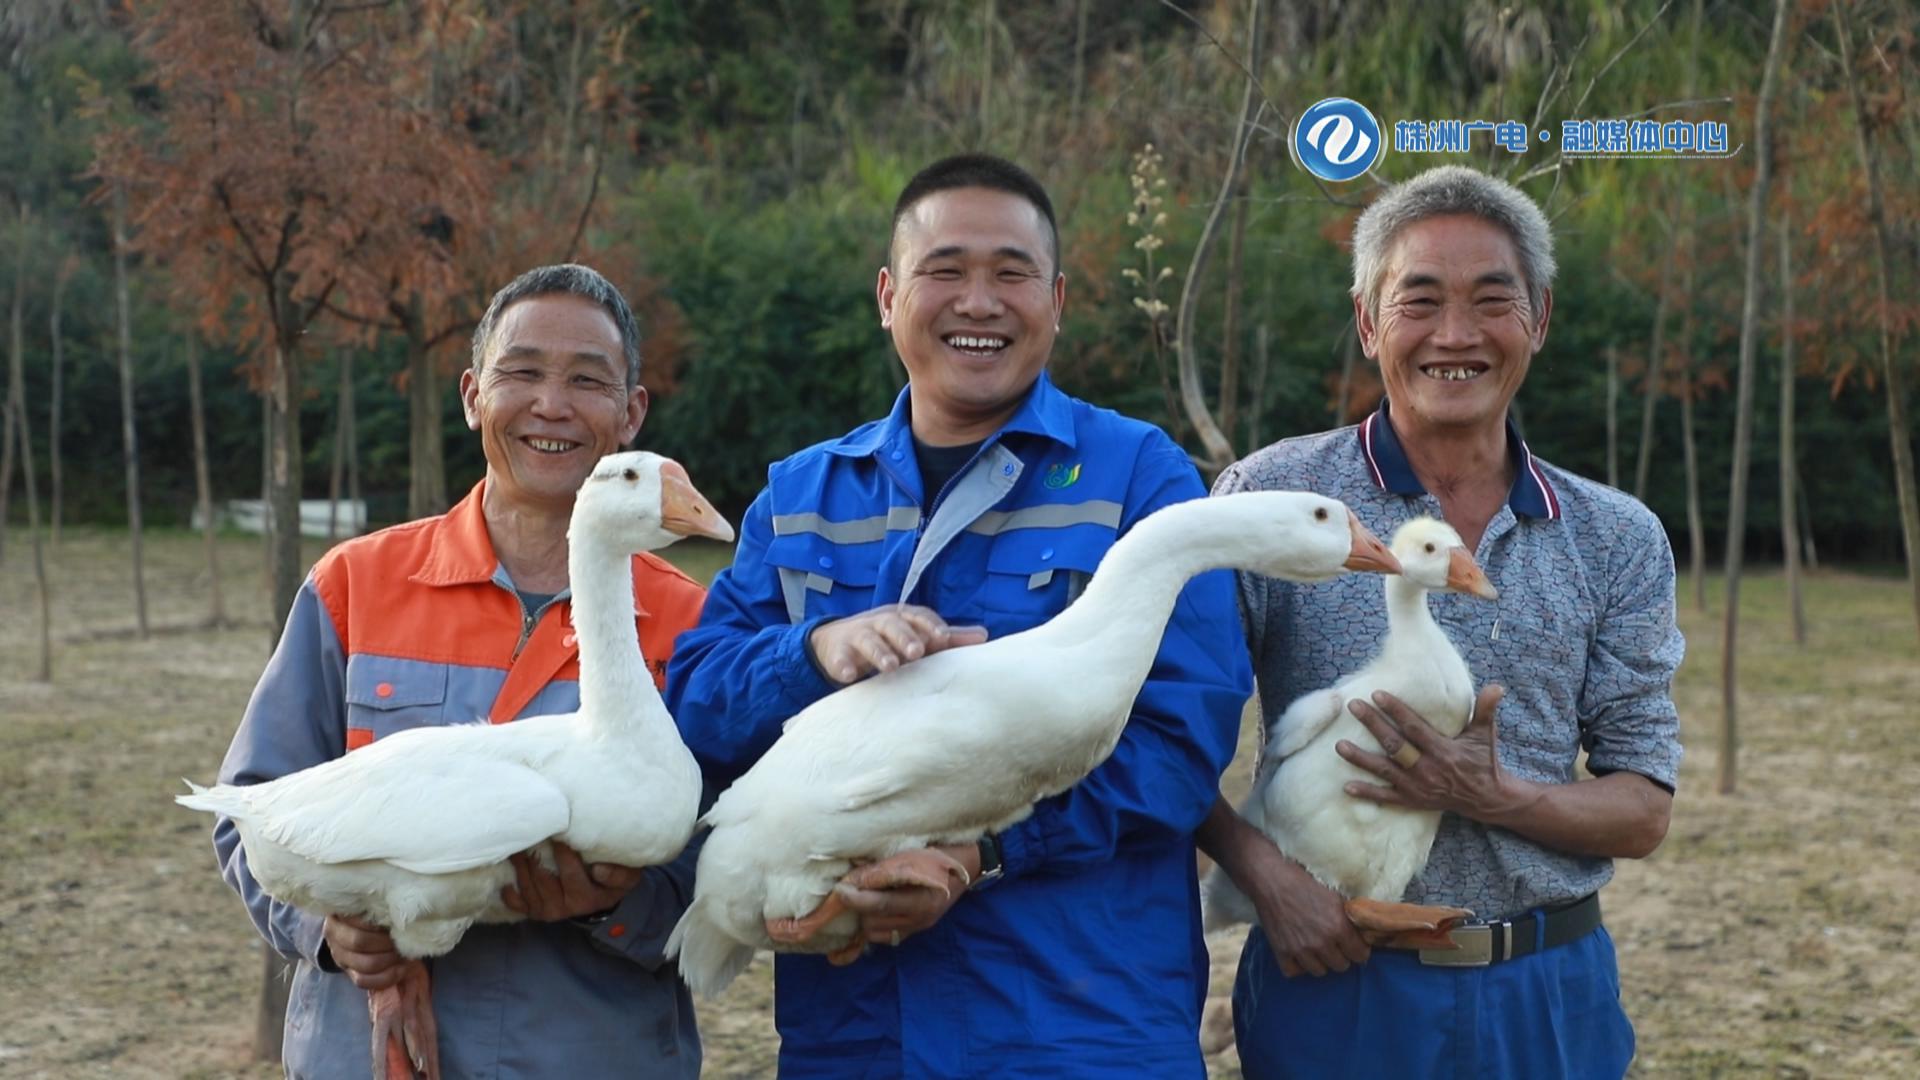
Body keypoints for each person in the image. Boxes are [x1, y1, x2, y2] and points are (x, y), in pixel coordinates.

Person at [665, 153, 1252, 1078]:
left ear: (1056, 299)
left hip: (1079, 1026)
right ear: (889, 295)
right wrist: (812, 652)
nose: (978, 302)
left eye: (1011, 274)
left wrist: (983, 853)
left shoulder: (1140, 482)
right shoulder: (805, 494)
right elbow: (697, 704)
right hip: (859, 1035)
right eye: (945, 271)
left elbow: (1179, 746)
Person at [1198, 165, 1683, 1078]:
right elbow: (1163, 734)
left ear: (1537, 317)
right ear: (1368, 320)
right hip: (1336, 984)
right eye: (1419, 300)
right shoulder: (1274, 499)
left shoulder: (1617, 536)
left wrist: (1495, 797)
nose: (1455, 335)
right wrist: (1268, 883)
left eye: (1491, 301)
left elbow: (1644, 808)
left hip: (1546, 993)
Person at [208, 264, 707, 1078]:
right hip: (368, 1060)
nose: (551, 404)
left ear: (631, 414)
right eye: (522, 373)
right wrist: (334, 934)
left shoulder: (692, 625)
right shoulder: (355, 585)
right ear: (474, 394)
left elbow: (723, 866)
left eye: (587, 380)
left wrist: (619, 904)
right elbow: (250, 809)